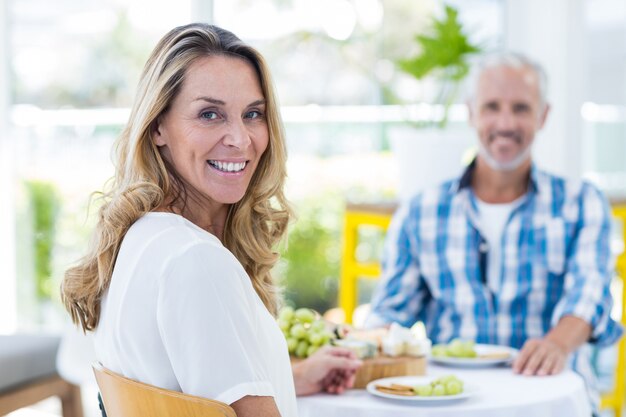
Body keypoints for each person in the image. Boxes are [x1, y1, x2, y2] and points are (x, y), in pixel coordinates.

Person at [61, 23, 360, 417]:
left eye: (253, 114)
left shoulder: (141, 238)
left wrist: (292, 377)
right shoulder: (196, 259)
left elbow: (185, 387)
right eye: (209, 114)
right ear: (157, 127)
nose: (240, 138)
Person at [366, 51, 623, 412]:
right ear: (471, 112)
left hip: (552, 402)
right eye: (492, 107)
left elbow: (590, 294)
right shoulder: (420, 211)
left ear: (543, 115)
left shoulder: (582, 203)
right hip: (455, 405)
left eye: (520, 108)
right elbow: (390, 315)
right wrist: (353, 346)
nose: (505, 122)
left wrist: (558, 344)